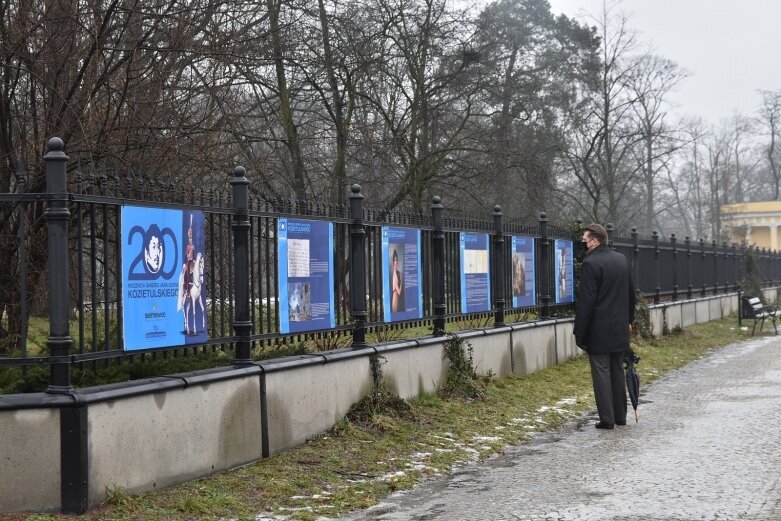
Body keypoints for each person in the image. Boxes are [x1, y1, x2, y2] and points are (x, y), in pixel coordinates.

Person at [574, 223, 635, 430]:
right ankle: (621, 416)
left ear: (595, 240)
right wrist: (629, 321)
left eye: (584, 240)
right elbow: (630, 294)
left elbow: (586, 302)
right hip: (619, 327)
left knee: (601, 372)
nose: (583, 243)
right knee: (617, 371)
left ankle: (607, 419)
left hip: (599, 329)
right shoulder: (621, 260)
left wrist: (579, 332)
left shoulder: (591, 263)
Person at [391, 248, 404, 312]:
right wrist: (401, 282)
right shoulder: (393, 276)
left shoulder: (398, 273)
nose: (396, 262)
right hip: (395, 299)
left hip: (398, 300)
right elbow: (399, 292)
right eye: (395, 260)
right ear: (393, 262)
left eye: (397, 260)